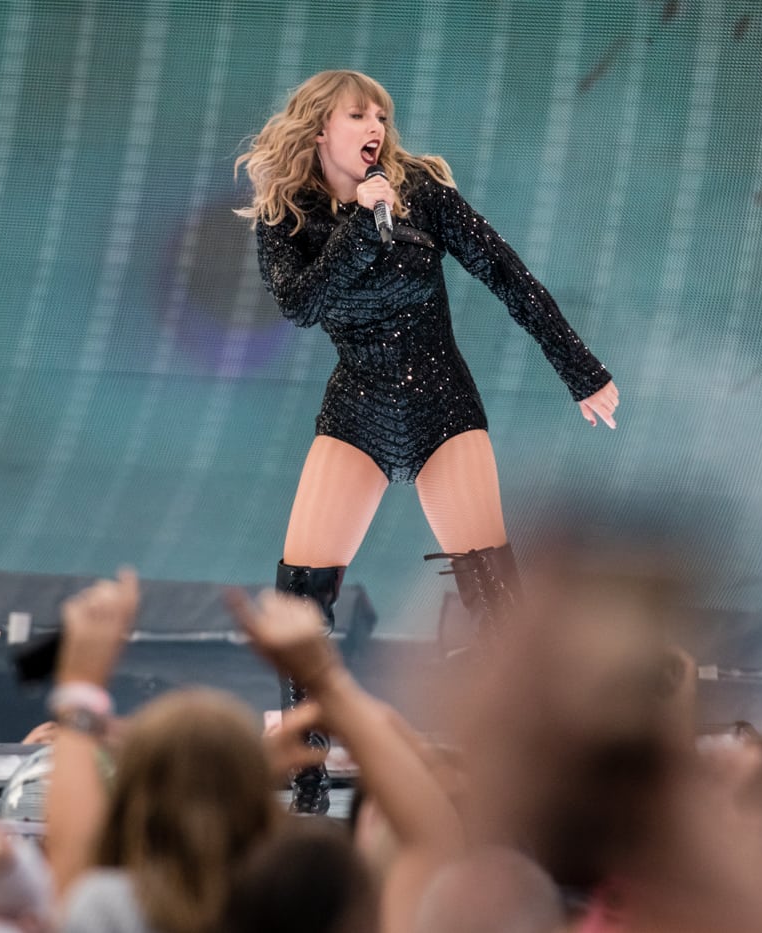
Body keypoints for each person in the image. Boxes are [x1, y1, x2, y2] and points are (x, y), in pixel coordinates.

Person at [235, 69, 619, 812]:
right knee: (299, 595)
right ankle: (307, 777)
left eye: (382, 113)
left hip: (441, 399)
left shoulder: (420, 193)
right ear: (322, 130)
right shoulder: (287, 215)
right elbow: (298, 305)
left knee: (492, 588)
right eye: (358, 114)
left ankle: (535, 760)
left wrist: (581, 370)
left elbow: (510, 277)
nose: (376, 124)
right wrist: (357, 223)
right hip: (359, 406)